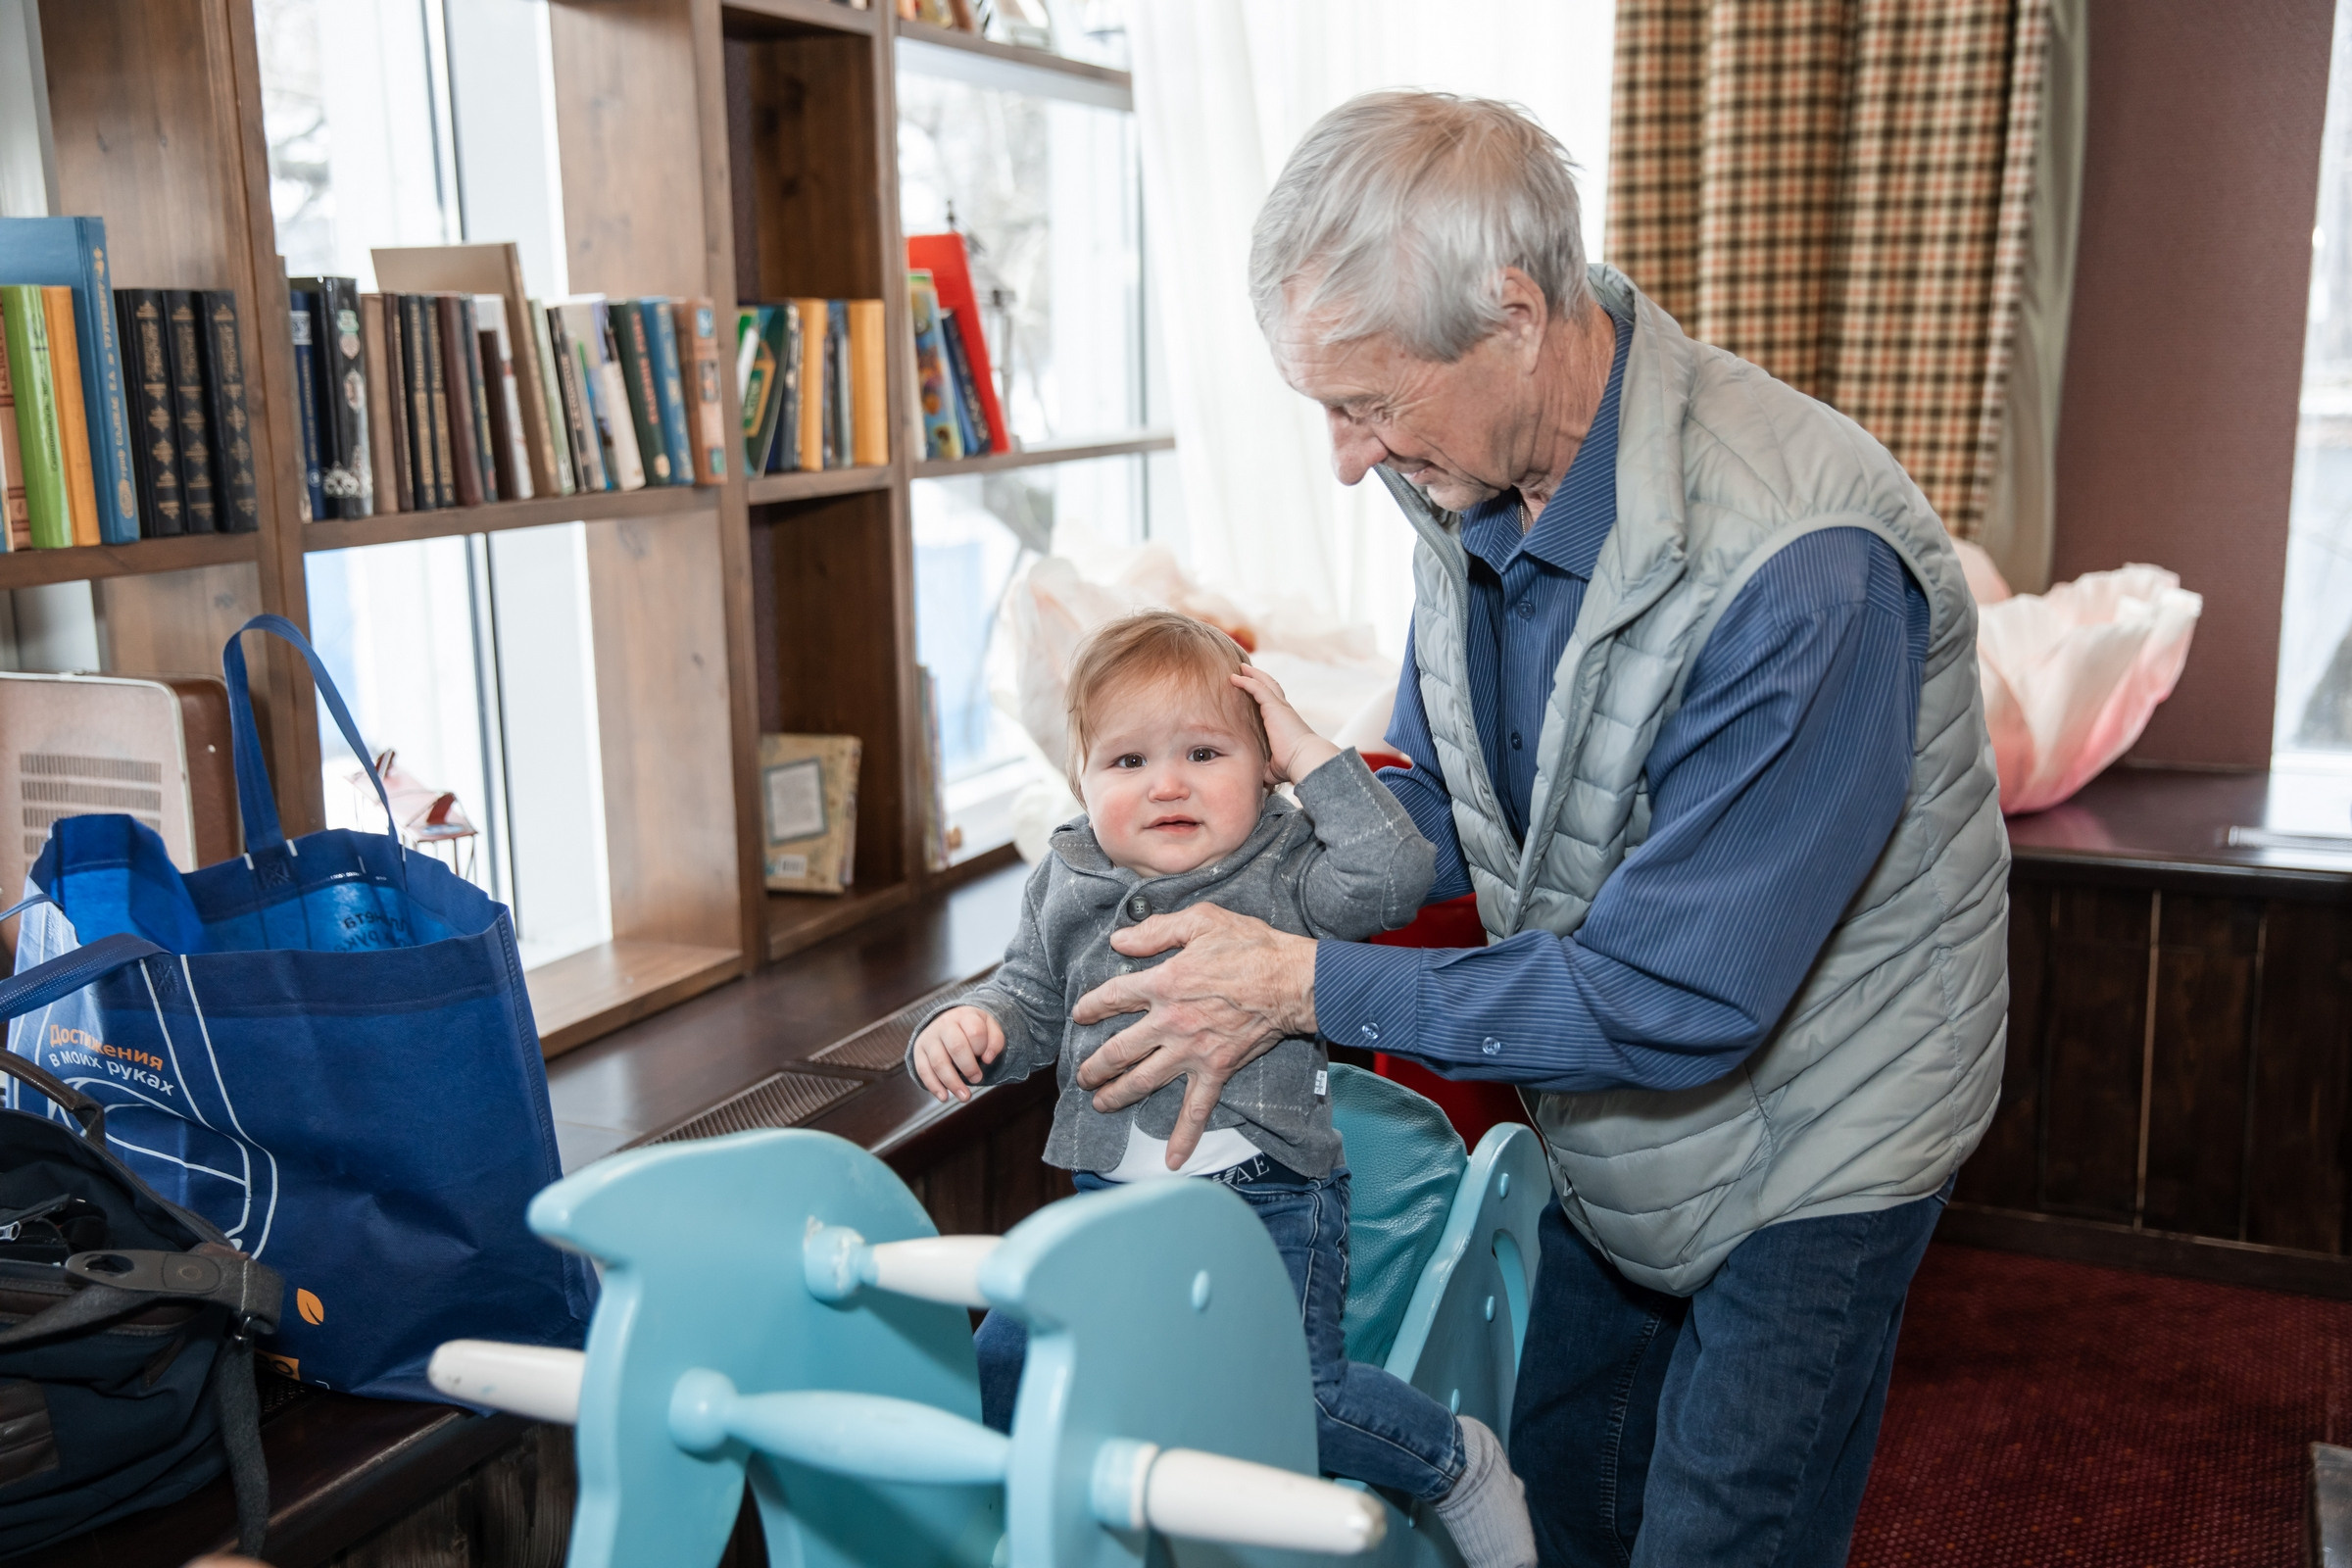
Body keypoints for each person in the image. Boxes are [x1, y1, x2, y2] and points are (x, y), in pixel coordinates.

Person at [1061, 92, 2010, 1566]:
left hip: (1821, 1134)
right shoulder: (1466, 473)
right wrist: (1261, 872)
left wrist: (1301, 983)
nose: (1346, 459)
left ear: (1513, 314)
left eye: (1365, 405)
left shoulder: (1804, 568)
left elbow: (1676, 994)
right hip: (1615, 1113)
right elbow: (1458, 800)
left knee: (1719, 1532)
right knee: (1566, 1504)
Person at [907, 610, 1537, 1568]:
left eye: (1204, 754)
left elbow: (1396, 874)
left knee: (1298, 1399)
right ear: (1080, 779)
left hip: (1269, 1198)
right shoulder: (1065, 877)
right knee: (1004, 1358)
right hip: (1112, 1202)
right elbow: (1026, 1004)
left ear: (1263, 768)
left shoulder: (1286, 863)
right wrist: (969, 1029)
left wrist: (1311, 753)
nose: (1166, 784)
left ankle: (1454, 1461)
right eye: (1127, 762)